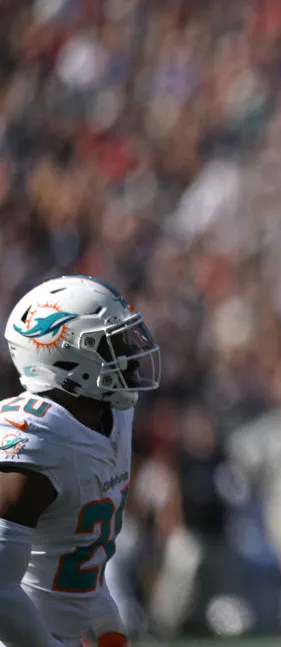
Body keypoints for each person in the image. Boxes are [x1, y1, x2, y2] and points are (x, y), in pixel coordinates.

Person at [0, 275, 161, 647]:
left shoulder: (114, 417)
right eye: (114, 343)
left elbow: (80, 542)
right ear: (69, 355)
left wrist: (106, 620)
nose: (133, 358)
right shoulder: (32, 436)